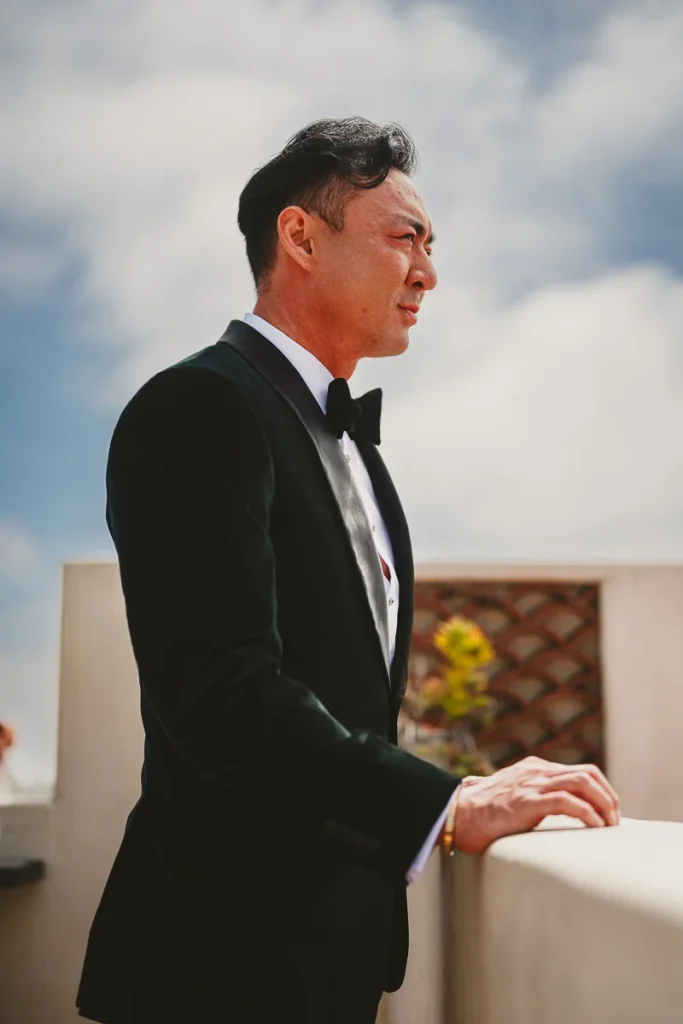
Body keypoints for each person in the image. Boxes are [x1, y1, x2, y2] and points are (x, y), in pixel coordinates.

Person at [76, 117, 619, 1024]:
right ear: (299, 237)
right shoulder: (198, 406)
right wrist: (445, 804)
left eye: (432, 246)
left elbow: (338, 699)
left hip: (330, 961)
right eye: (405, 238)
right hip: (212, 964)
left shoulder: (354, 451)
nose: (428, 273)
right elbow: (218, 688)